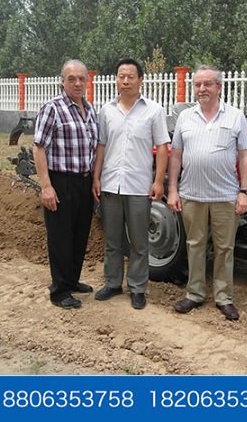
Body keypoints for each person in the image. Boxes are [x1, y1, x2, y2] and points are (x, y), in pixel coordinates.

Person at [167, 65, 247, 321]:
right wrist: (173, 189)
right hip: (192, 194)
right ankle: (194, 293)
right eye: (197, 85)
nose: (202, 89)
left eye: (207, 84)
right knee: (194, 245)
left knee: (225, 248)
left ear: (219, 87)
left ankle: (224, 298)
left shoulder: (235, 116)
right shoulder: (185, 117)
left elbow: (245, 156)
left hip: (225, 195)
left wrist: (244, 192)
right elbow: (176, 155)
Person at [92, 58, 170, 310]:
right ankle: (112, 283)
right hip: (110, 185)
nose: (125, 81)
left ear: (140, 80)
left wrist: (158, 181)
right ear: (116, 79)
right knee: (112, 240)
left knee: (139, 242)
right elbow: (101, 146)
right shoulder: (106, 111)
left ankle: (137, 288)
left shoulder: (153, 111)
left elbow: (162, 147)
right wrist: (96, 177)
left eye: (131, 76)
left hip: (139, 186)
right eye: (121, 76)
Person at [33, 59, 98, 310]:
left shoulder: (89, 110)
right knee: (61, 237)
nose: (77, 83)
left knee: (79, 235)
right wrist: (46, 187)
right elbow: (39, 148)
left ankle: (71, 280)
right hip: (61, 181)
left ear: (87, 81)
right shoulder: (53, 108)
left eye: (81, 78)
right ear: (63, 82)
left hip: (84, 181)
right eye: (72, 79)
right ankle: (59, 291)